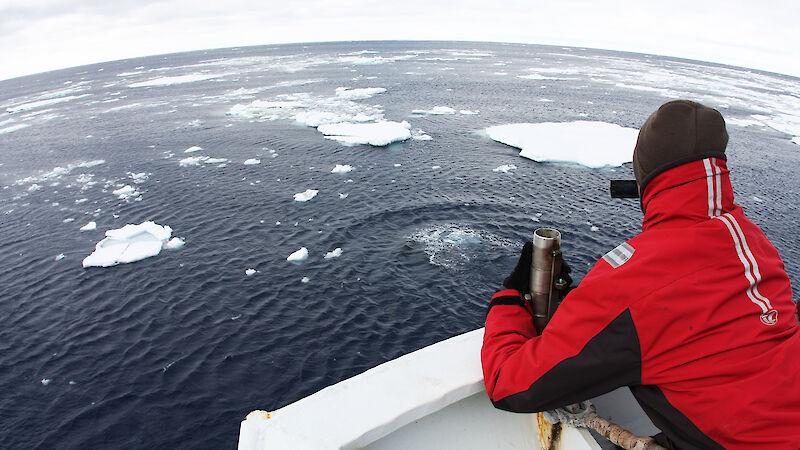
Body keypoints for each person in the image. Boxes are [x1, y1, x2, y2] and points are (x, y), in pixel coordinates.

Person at [481, 100, 800, 449]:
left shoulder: (637, 278)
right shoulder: (753, 241)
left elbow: (511, 385)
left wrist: (510, 296)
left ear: (643, 171)